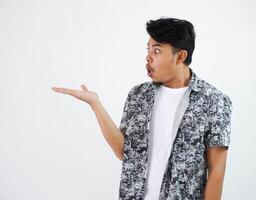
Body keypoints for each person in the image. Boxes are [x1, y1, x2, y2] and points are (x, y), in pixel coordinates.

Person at [52, 17, 233, 200]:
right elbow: (123, 152)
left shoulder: (215, 101)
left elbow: (216, 171)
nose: (148, 57)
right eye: (148, 49)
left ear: (180, 56)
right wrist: (95, 104)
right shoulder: (138, 95)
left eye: (157, 51)